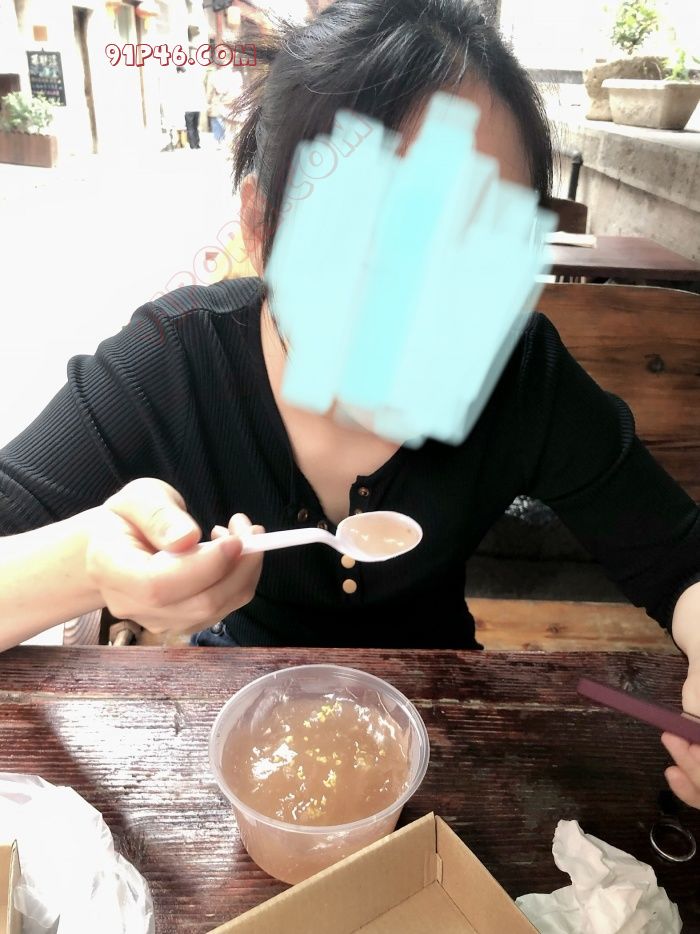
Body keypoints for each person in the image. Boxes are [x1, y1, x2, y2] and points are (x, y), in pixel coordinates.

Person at [1, 0, 700, 809]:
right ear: (262, 226)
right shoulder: (172, 364)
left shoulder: (519, 375)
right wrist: (90, 565)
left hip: (448, 732)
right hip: (237, 726)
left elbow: (680, 560)